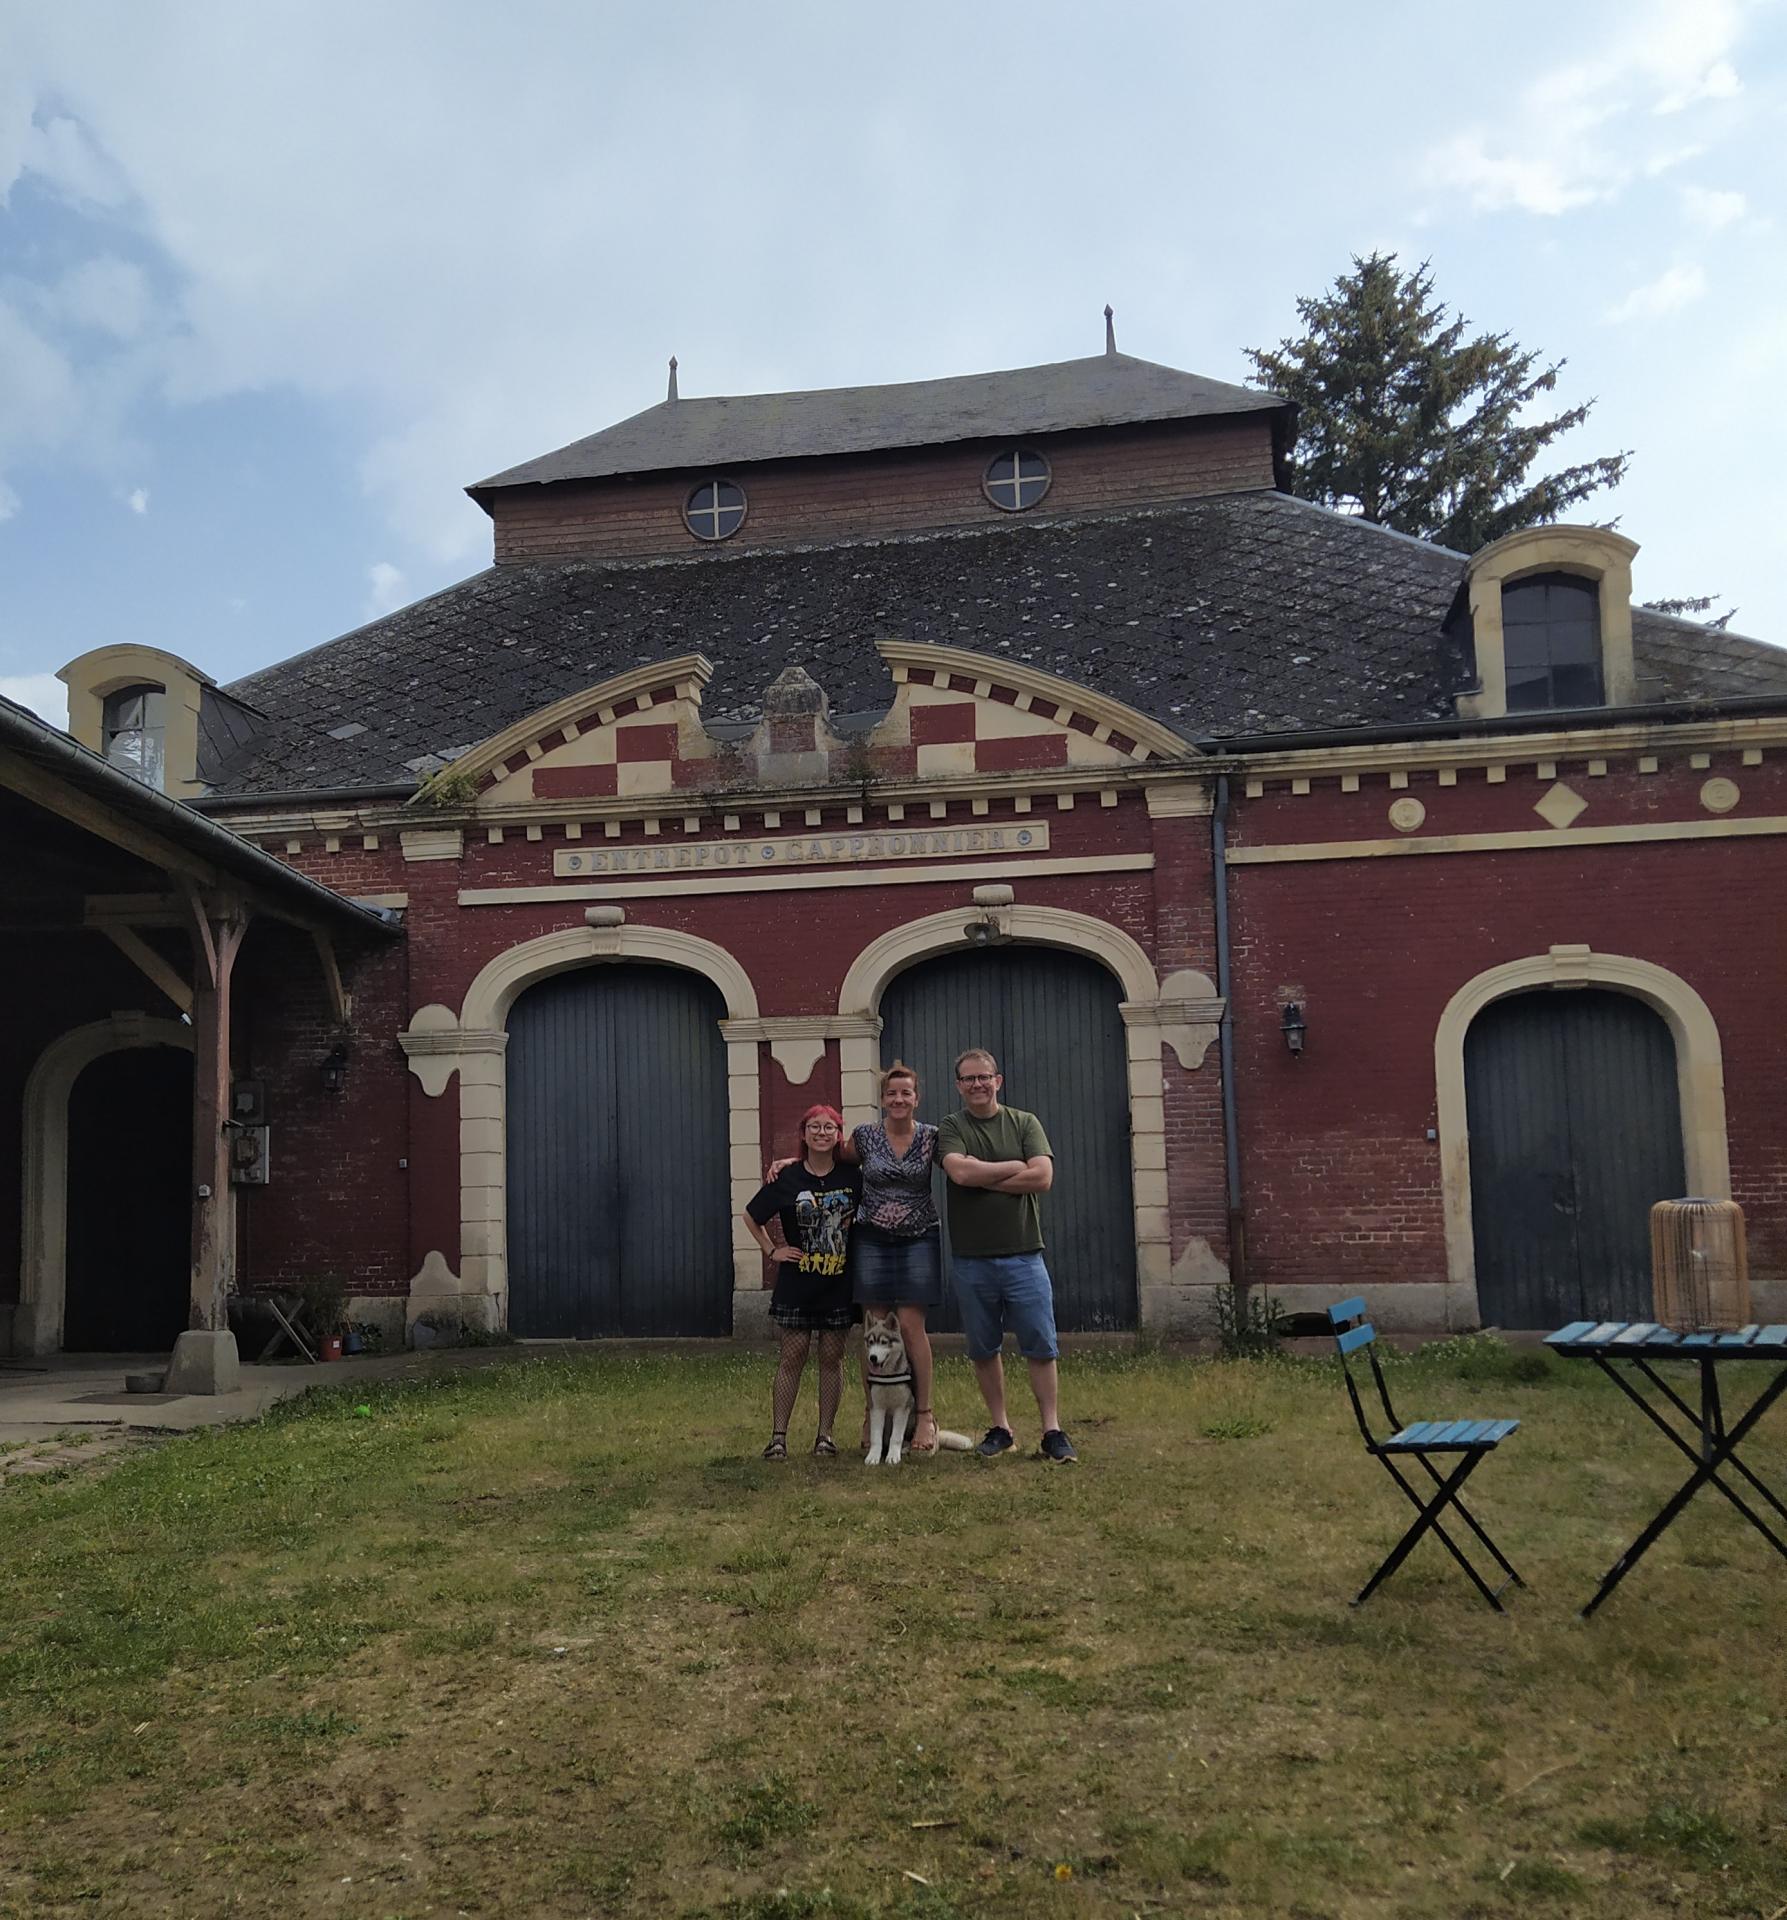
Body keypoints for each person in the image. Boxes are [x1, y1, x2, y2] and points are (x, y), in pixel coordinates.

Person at [765, 1061, 946, 1453]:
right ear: (882, 1100)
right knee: (873, 1329)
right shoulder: (864, 1137)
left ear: (917, 1098)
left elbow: (960, 1167)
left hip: (918, 1237)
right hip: (872, 1240)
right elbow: (829, 1156)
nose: (899, 1099)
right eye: (891, 1093)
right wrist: (793, 1163)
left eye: (906, 1093)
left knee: (913, 1327)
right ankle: (872, 1413)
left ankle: (926, 1417)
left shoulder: (932, 1137)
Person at [936, 1047, 1078, 1463]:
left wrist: (984, 1177)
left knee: (1040, 1344)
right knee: (984, 1348)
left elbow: (1043, 1177)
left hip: (1024, 1255)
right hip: (971, 1258)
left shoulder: (1024, 1122)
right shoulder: (952, 1126)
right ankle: (1001, 1428)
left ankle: (1052, 1430)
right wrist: (1012, 1167)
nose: (977, 1084)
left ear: (998, 1081)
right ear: (958, 1086)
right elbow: (959, 1172)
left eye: (984, 1077)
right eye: (968, 1079)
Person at [742, 1105, 861, 1460]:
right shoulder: (788, 1179)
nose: (821, 1133)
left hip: (839, 1282)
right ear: (804, 1133)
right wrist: (772, 1250)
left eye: (829, 1127)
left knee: (832, 1357)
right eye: (814, 1127)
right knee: (791, 1356)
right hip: (797, 1284)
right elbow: (751, 1215)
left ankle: (825, 1436)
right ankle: (778, 1437)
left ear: (839, 1135)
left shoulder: (853, 1176)